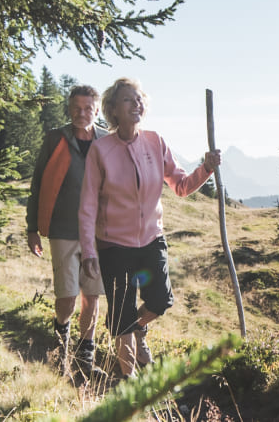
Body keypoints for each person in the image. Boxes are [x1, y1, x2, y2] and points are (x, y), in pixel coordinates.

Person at [78, 77, 221, 379]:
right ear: (113, 110)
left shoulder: (156, 142)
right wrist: (89, 252)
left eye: (139, 98)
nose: (137, 104)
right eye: (129, 99)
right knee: (121, 318)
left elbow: (181, 186)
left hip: (151, 240)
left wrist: (206, 168)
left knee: (160, 301)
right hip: (113, 246)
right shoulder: (100, 151)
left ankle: (139, 329)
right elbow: (88, 206)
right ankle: (129, 382)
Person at [26, 84, 108, 377]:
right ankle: (61, 340)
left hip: (99, 233)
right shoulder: (55, 139)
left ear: (97, 110)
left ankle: (85, 358)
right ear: (68, 109)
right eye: (76, 108)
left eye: (87, 108)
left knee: (92, 296)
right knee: (67, 297)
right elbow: (38, 184)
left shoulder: (107, 141)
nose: (81, 113)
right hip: (62, 229)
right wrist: (32, 227)